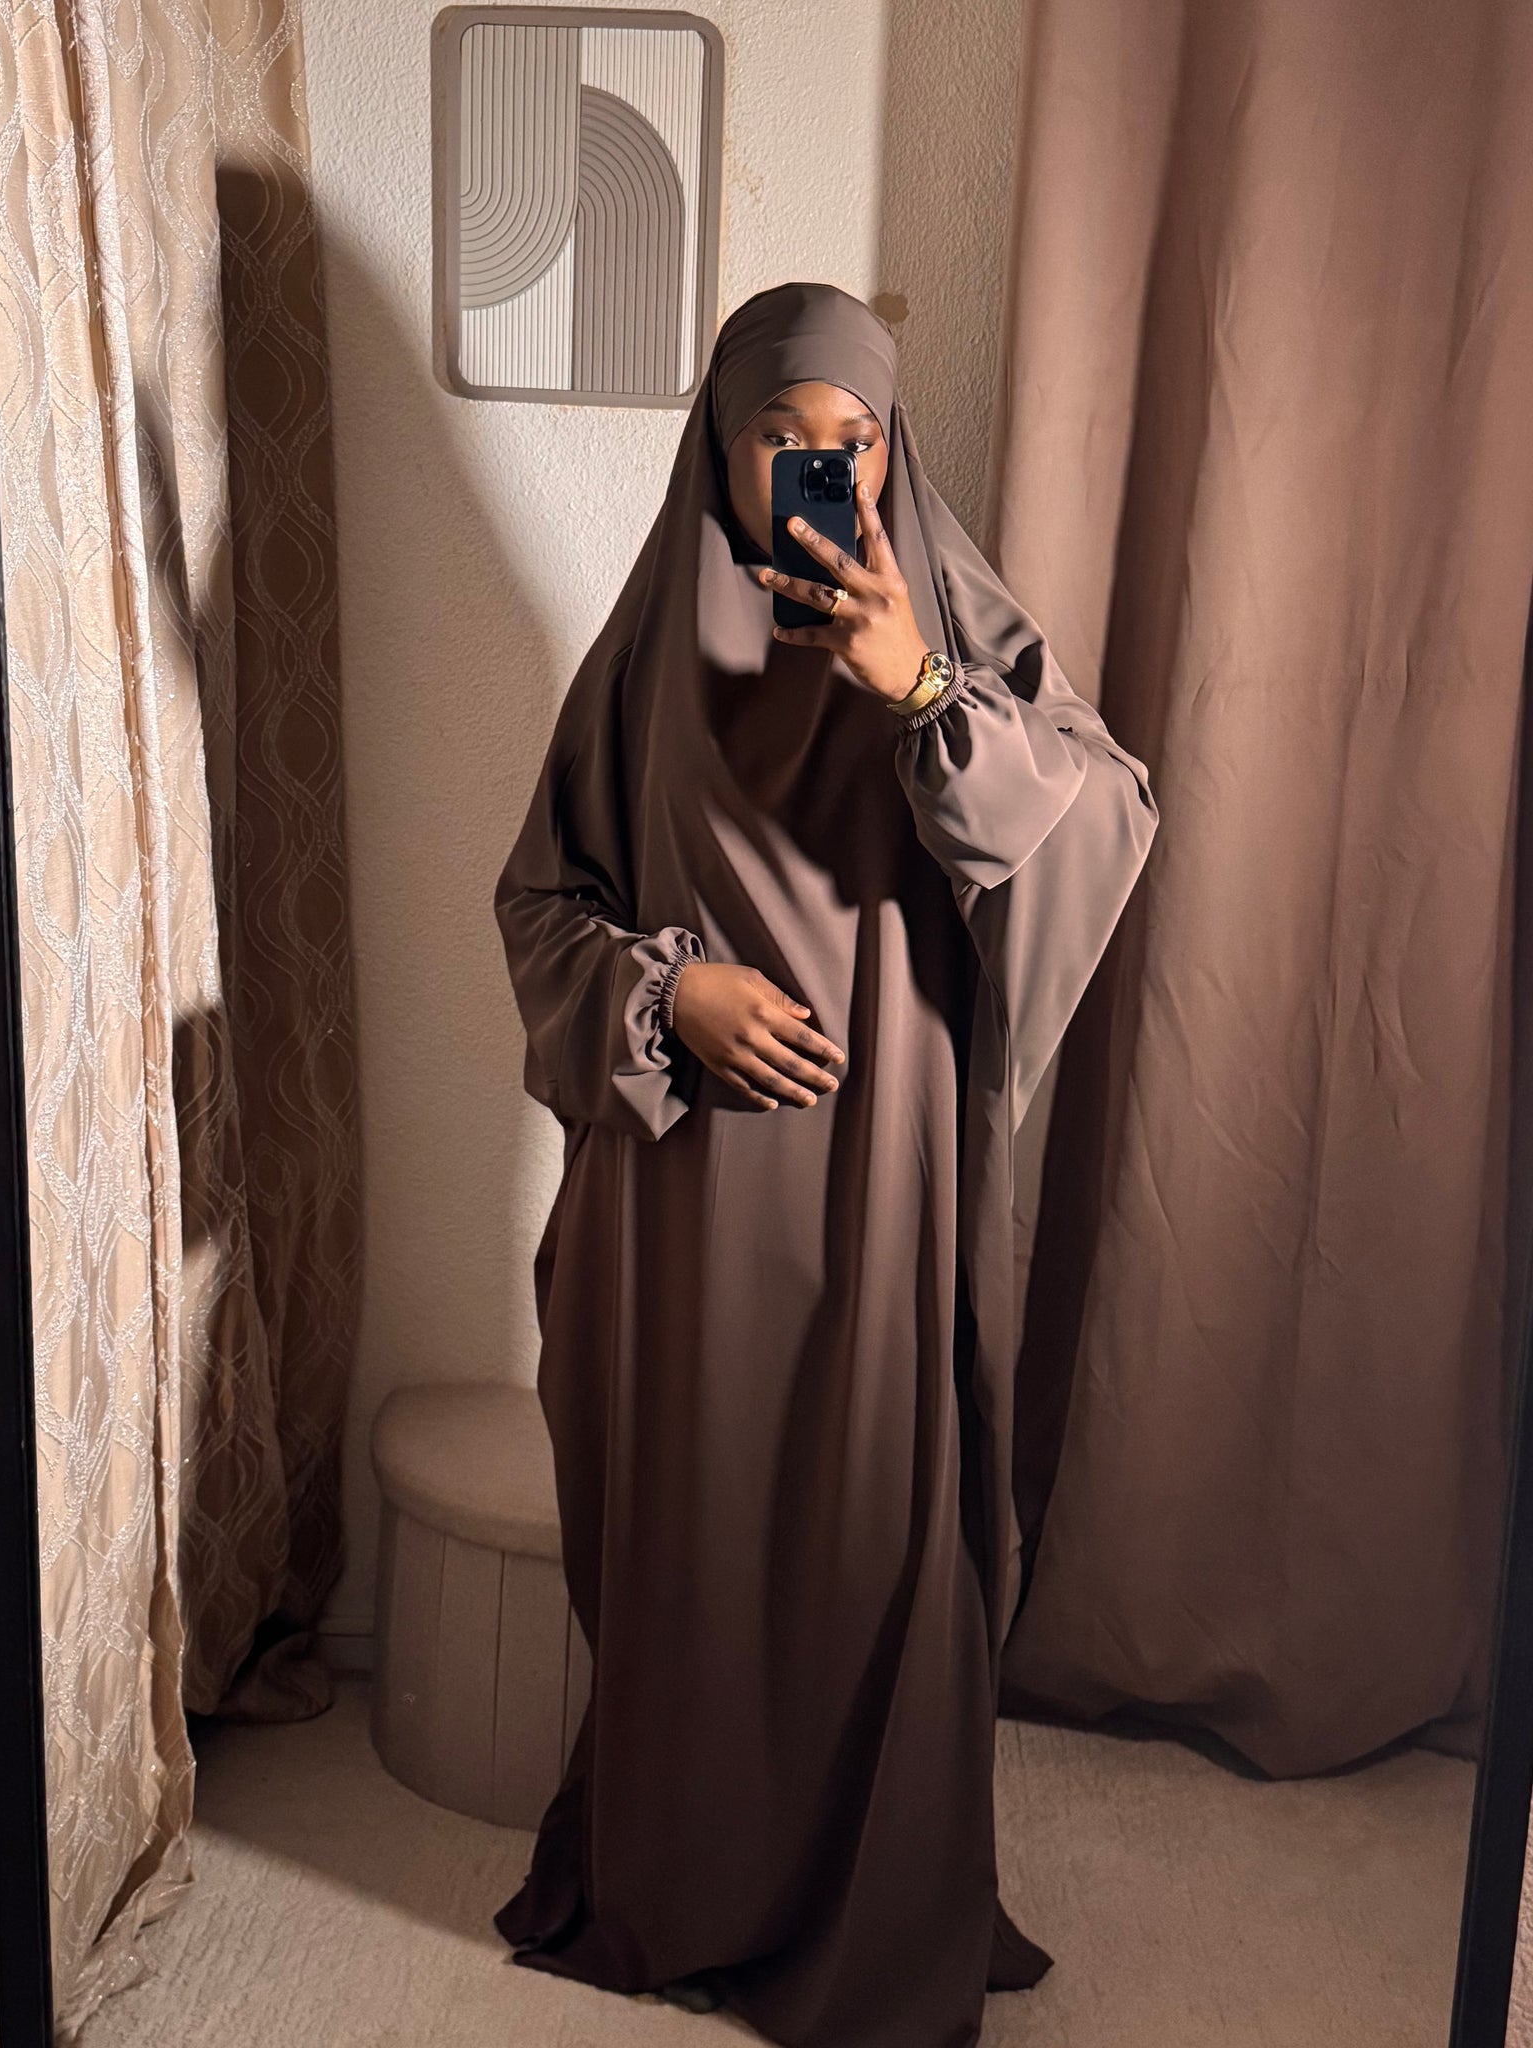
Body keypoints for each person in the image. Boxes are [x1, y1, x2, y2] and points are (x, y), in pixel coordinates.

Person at [490, 280, 1158, 2048]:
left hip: (886, 1170)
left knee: (874, 1531)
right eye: (777, 438)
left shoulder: (945, 620)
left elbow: (1104, 821)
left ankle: (865, 1906)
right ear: (717, 451)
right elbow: (542, 902)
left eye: (852, 441)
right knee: (693, 1530)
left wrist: (922, 689)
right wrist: (670, 991)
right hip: (688, 1186)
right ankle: (687, 1882)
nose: (820, 471)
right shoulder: (649, 654)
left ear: (891, 450)